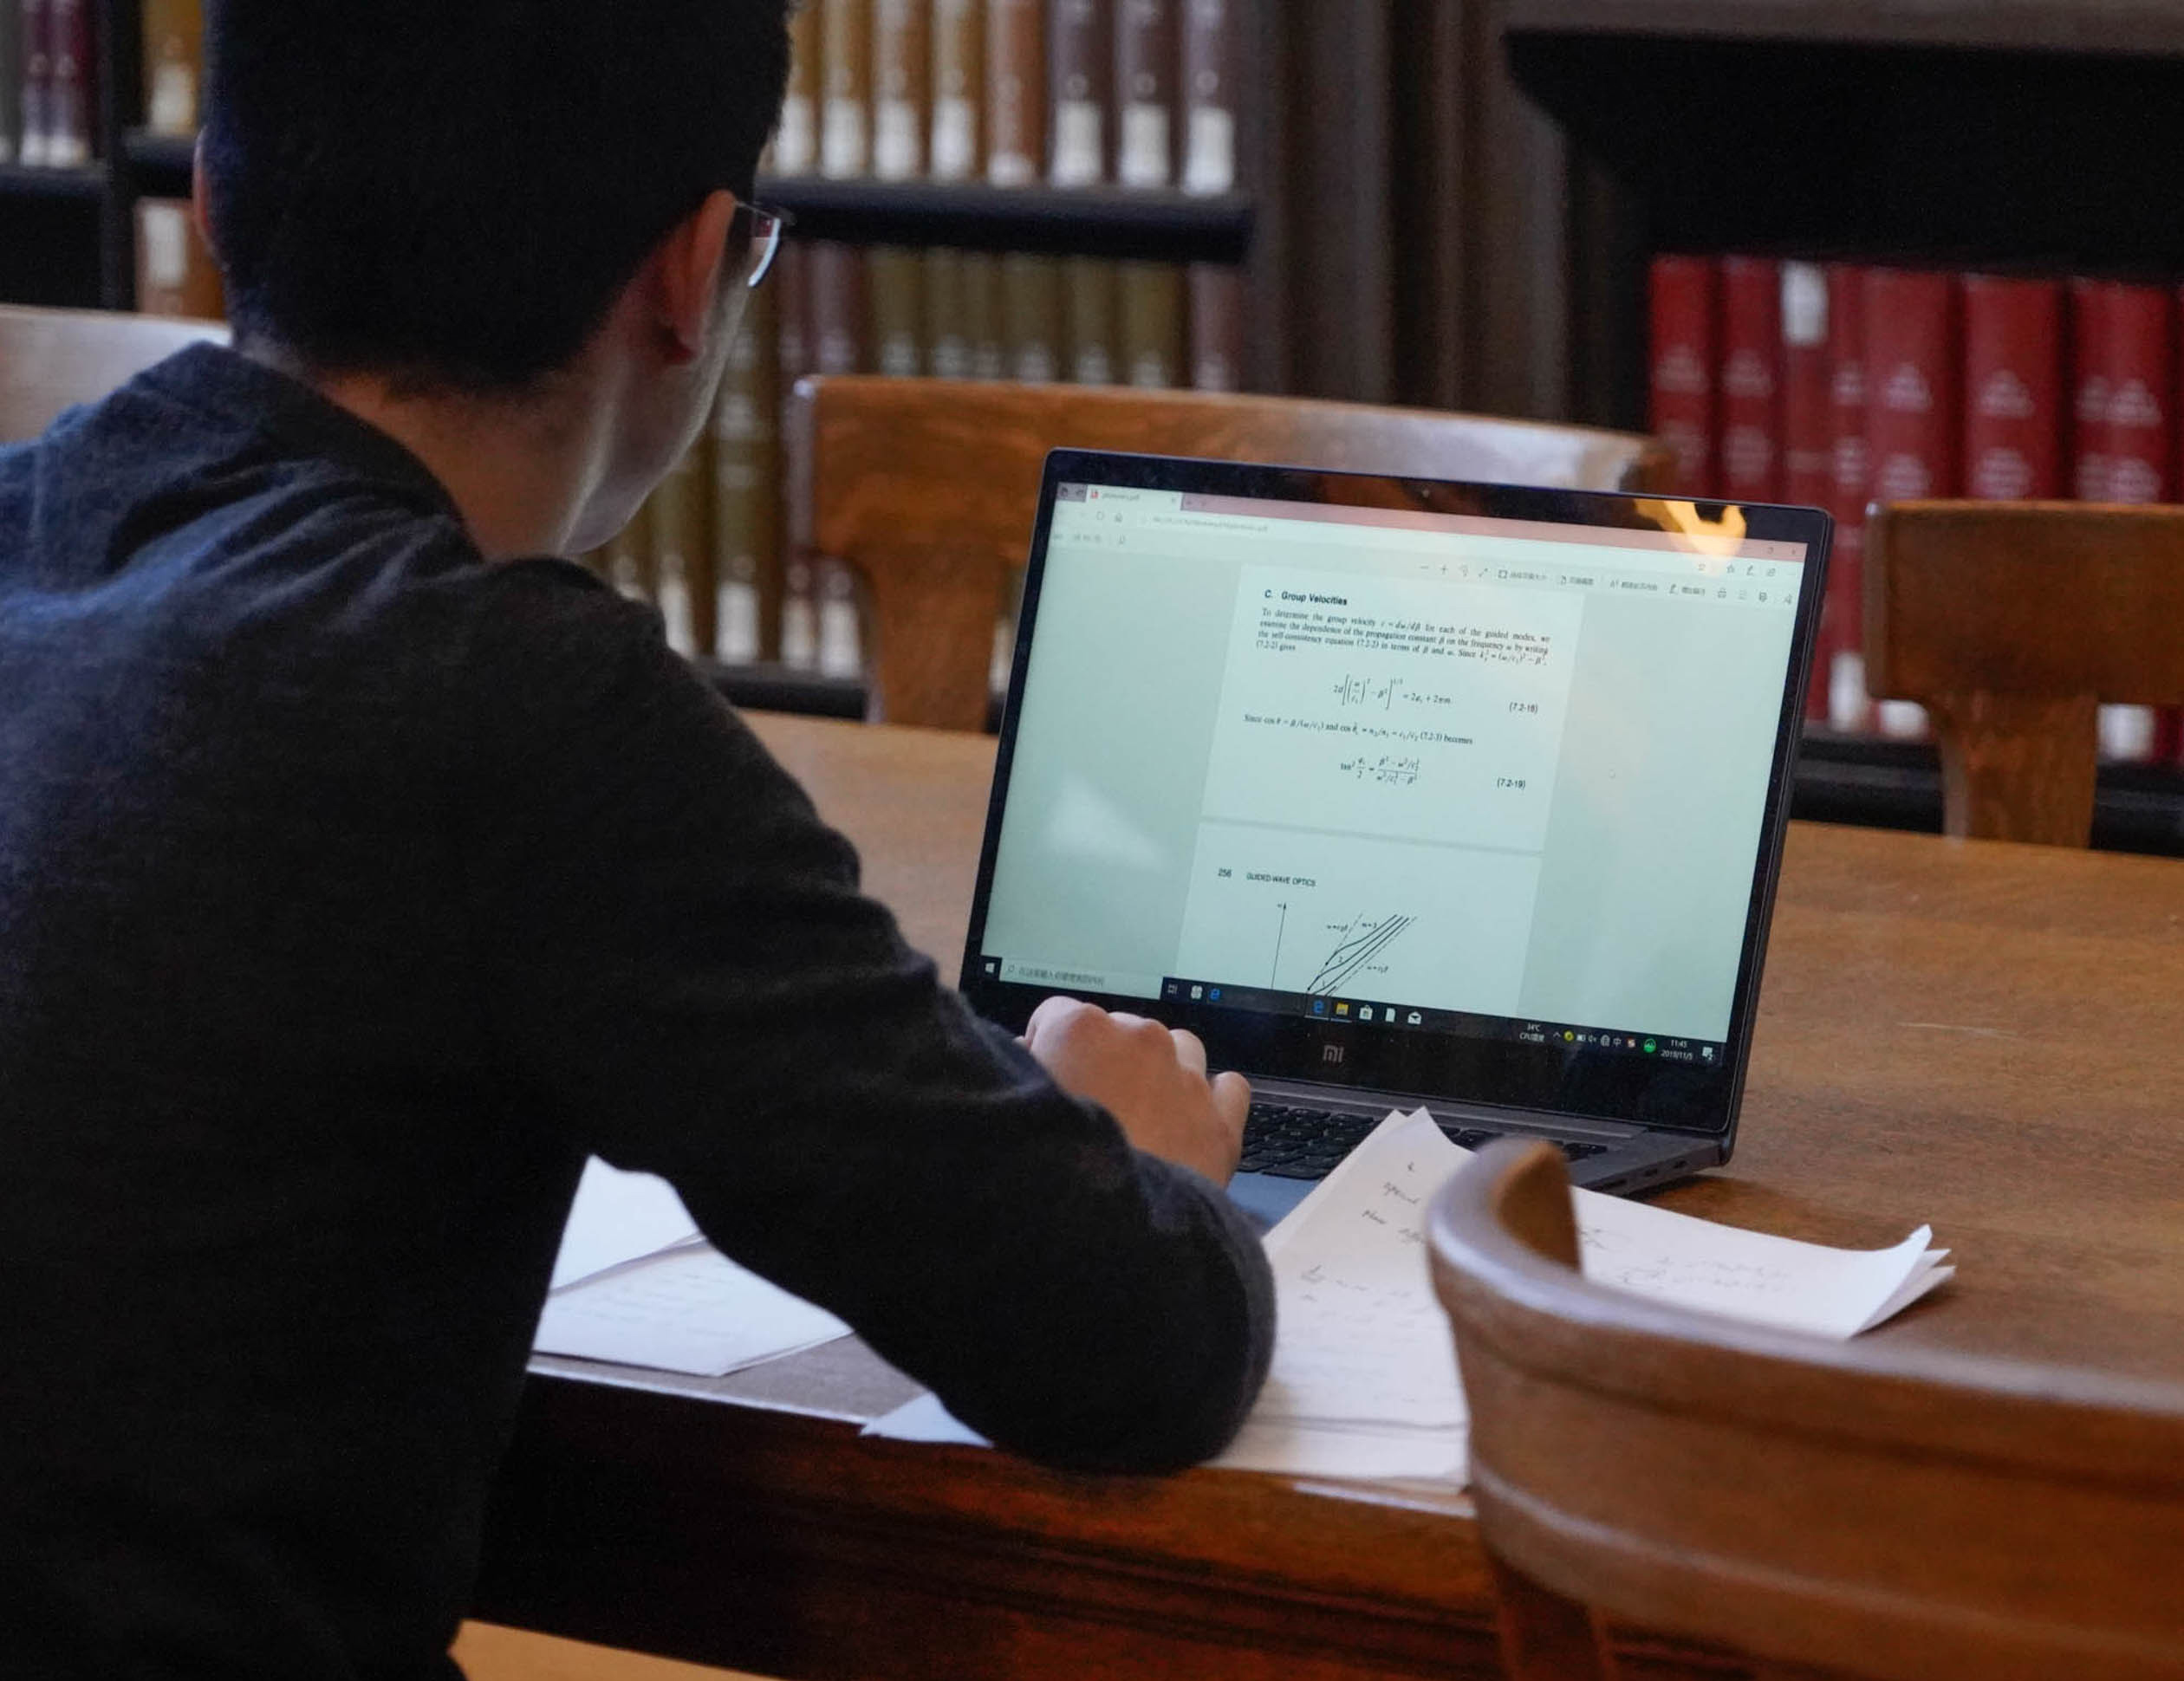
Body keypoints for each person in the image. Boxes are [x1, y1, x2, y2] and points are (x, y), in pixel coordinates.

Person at [0, 2, 1272, 1674]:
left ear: (220, 214)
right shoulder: (512, 701)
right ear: (690, 275)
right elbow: (1123, 1348)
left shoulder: (35, 527)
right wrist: (1149, 1175)